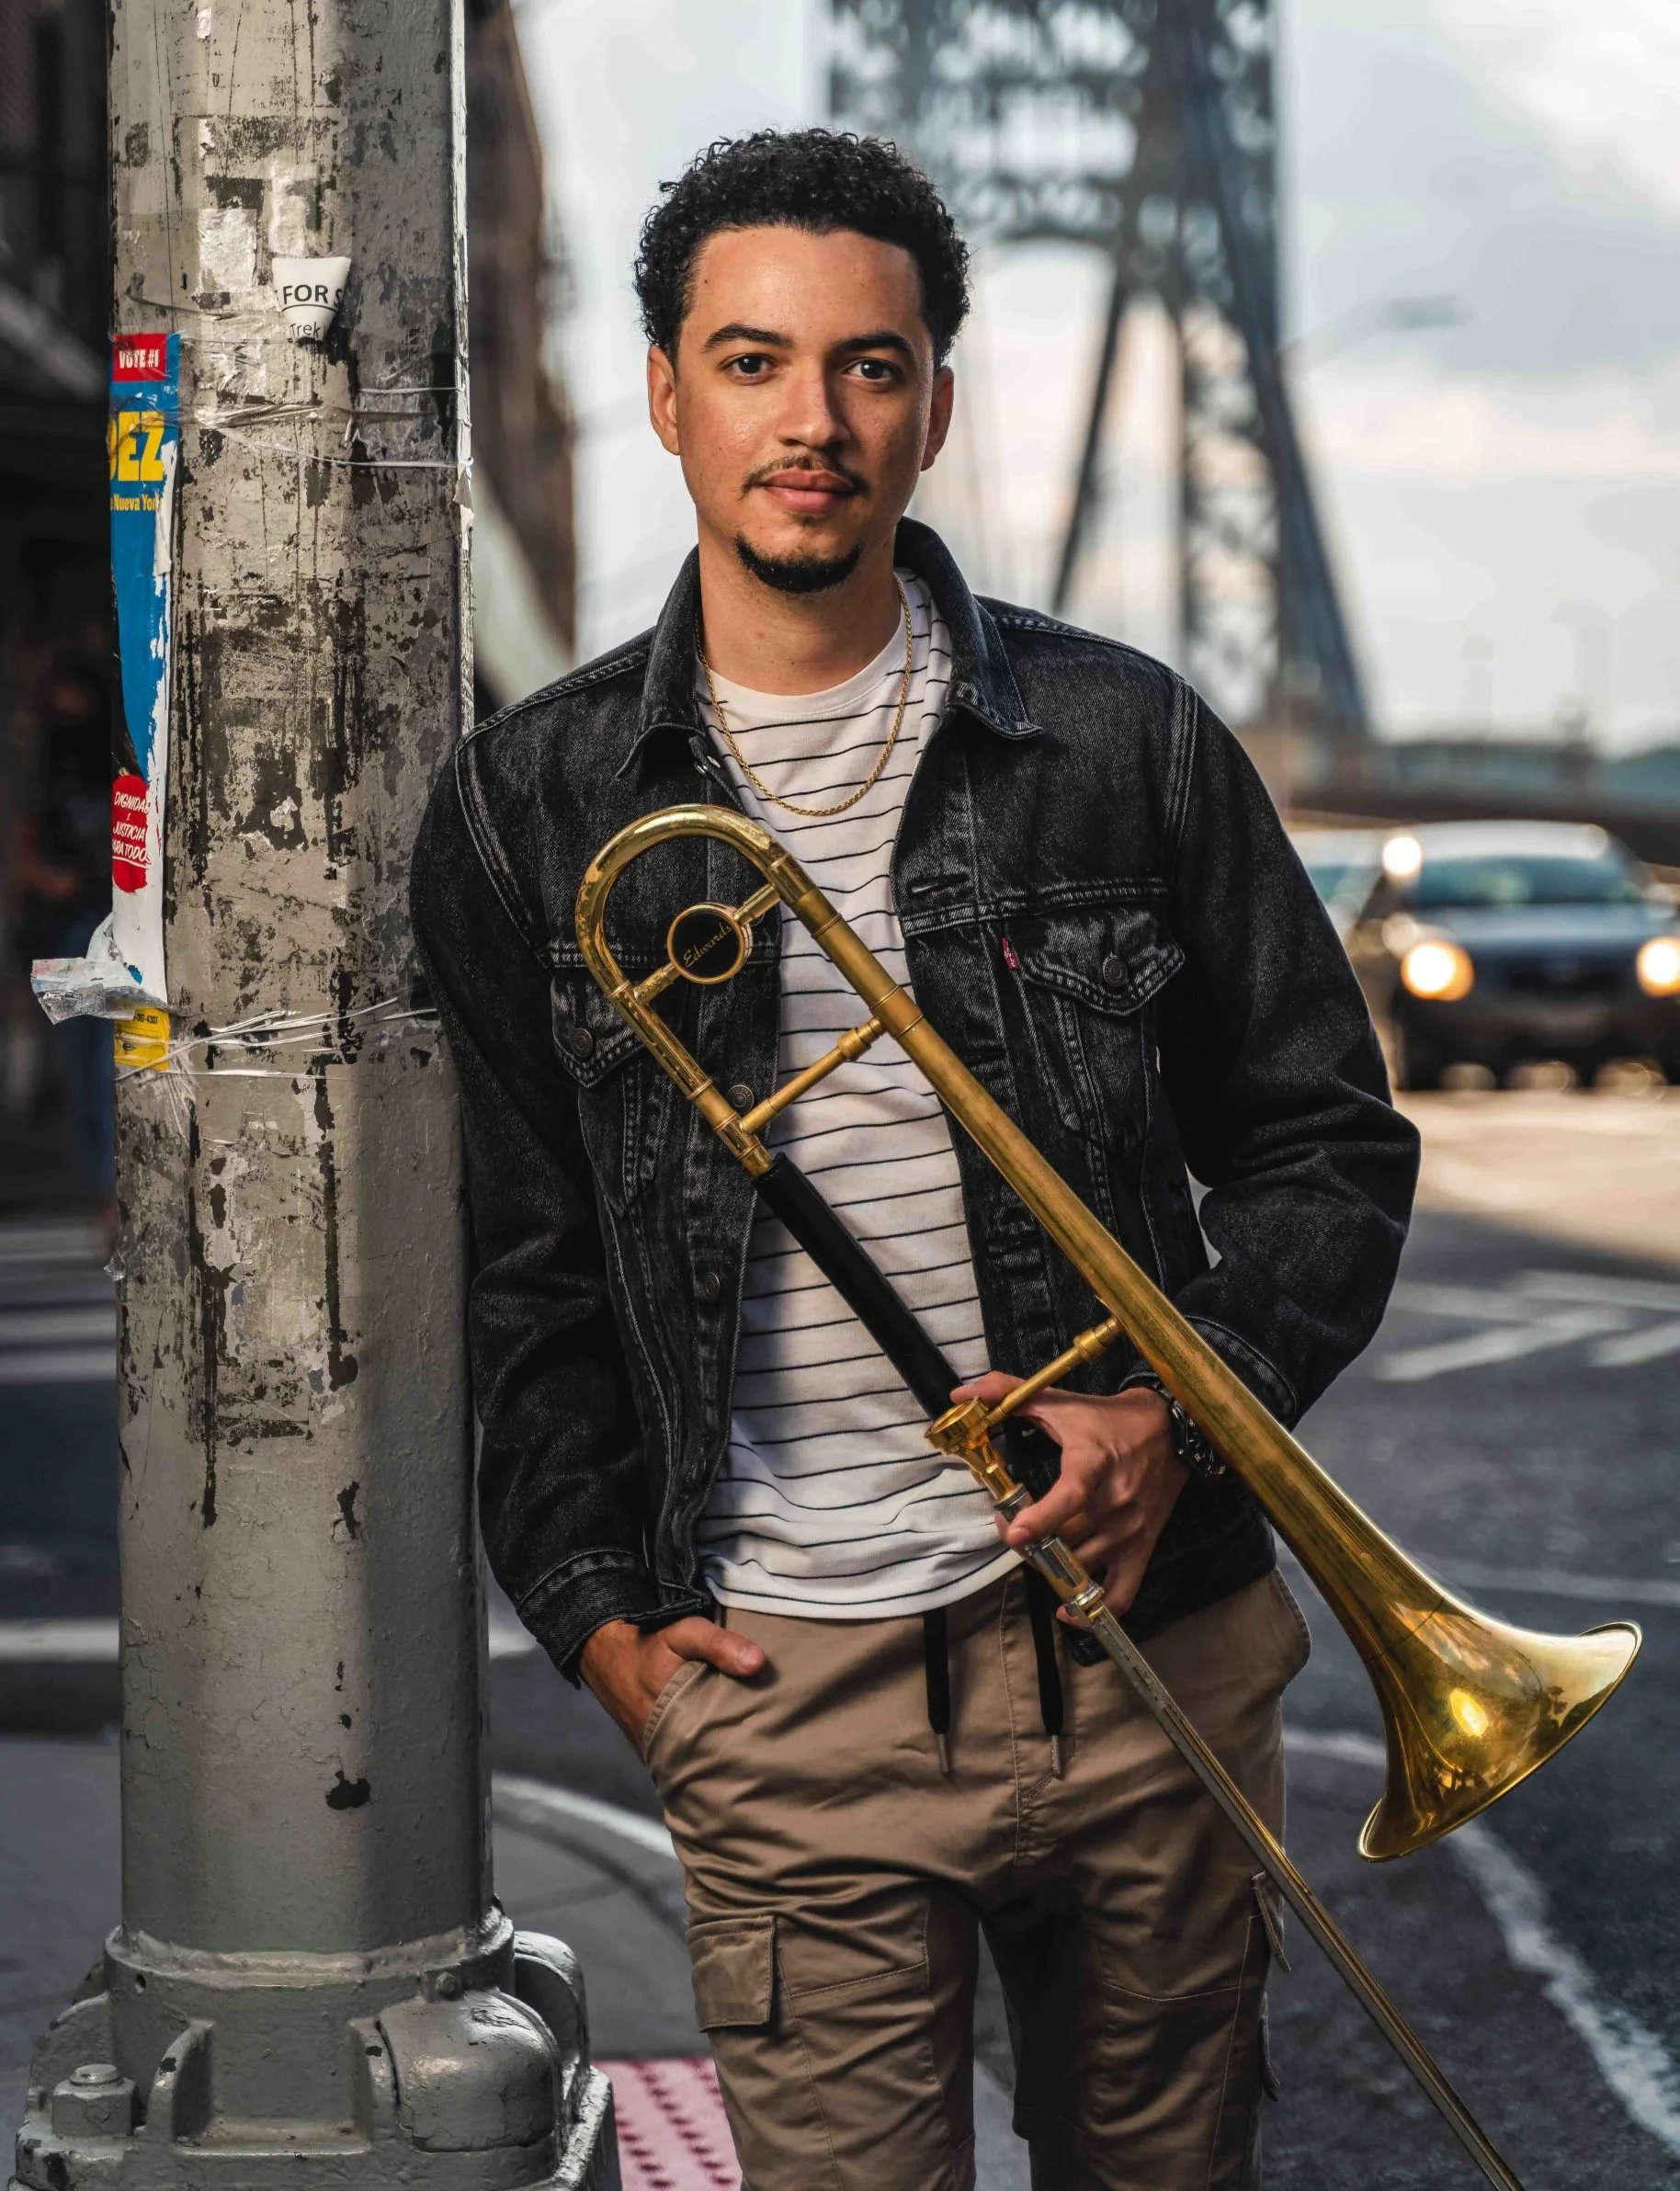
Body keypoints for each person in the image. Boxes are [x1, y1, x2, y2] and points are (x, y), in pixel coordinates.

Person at [412, 128, 1418, 2190]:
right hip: (790, 1681)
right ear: (667, 391)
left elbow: (1324, 1139)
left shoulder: (1127, 741)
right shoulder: (530, 806)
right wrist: (604, 1624)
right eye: (754, 361)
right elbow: (520, 1281)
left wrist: (1176, 1414)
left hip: (1155, 1657)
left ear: (935, 404)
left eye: (868, 368)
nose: (813, 421)